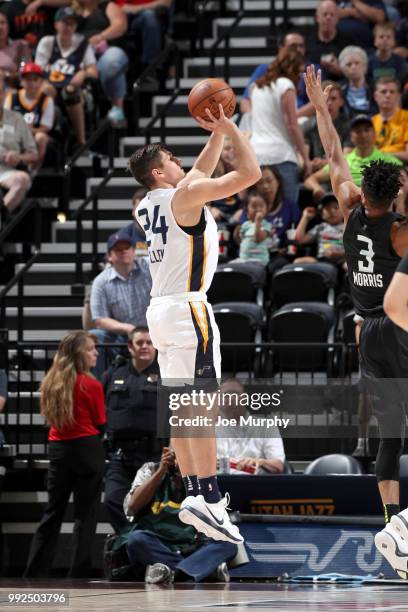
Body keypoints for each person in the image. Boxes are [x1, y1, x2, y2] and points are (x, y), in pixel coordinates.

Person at [129, 104, 261, 544]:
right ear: (159, 173)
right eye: (171, 158)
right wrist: (235, 132)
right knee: (201, 405)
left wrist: (218, 133)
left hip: (160, 312)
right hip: (190, 309)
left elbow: (194, 175)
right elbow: (251, 175)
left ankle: (194, 494)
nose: (179, 162)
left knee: (181, 407)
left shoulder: (146, 204)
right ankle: (210, 495)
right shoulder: (184, 196)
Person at [304, 64, 408, 578]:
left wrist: (322, 109)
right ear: (397, 196)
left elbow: (333, 153)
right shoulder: (400, 233)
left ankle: (392, 524)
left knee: (391, 437)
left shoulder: (347, 205)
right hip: (399, 329)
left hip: (365, 331)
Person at [23, 331, 106, 578]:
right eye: (91, 349)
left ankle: (35, 572)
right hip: (87, 449)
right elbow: (100, 422)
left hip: (58, 450)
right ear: (80, 354)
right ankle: (77, 574)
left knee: (53, 512)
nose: (96, 353)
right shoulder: (91, 384)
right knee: (85, 514)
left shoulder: (50, 382)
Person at [123, 447, 238, 583]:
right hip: (158, 544)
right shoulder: (151, 469)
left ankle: (173, 572)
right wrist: (161, 471)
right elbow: (132, 507)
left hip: (191, 546)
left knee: (228, 542)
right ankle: (201, 570)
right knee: (136, 540)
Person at [102, 326, 161, 533]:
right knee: (112, 500)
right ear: (130, 346)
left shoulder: (167, 374)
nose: (145, 346)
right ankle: (132, 540)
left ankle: (138, 545)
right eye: (140, 343)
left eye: (149, 342)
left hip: (153, 456)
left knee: (152, 507)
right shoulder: (114, 373)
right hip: (122, 456)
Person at [249, 47, 312, 204]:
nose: (299, 77)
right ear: (291, 68)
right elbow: (292, 124)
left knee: (262, 208)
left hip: (257, 155)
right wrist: (305, 158)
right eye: (299, 72)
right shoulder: (286, 85)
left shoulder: (256, 87)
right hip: (281, 154)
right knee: (289, 208)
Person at [89, 226, 152, 378]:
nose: (124, 251)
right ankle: (97, 386)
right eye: (118, 249)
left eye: (127, 247)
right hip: (122, 336)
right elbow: (99, 319)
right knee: (95, 336)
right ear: (109, 256)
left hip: (154, 330)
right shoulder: (101, 281)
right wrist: (127, 328)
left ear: (134, 251)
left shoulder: (149, 268)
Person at [35, 7, 98, 147]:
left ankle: (81, 141)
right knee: (45, 89)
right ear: (56, 24)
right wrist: (45, 83)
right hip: (51, 86)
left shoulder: (82, 44)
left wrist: (82, 73)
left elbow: (94, 72)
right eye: (65, 23)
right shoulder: (47, 42)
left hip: (76, 90)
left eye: (72, 24)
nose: (68, 27)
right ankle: (40, 133)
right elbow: (37, 73)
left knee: (70, 91)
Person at [304, 113, 402, 201]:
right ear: (351, 137)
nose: (363, 135)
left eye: (367, 130)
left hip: (377, 204)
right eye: (358, 131)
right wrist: (317, 188)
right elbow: (310, 180)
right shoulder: (342, 161)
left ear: (374, 134)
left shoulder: (387, 160)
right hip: (347, 207)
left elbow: (403, 180)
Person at [239, 31, 313, 123]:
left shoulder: (312, 69)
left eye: (301, 46)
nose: (297, 49)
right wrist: (258, 119)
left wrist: (290, 117)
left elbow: (317, 103)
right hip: (266, 119)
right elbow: (245, 101)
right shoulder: (264, 70)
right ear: (281, 48)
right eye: (293, 46)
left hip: (297, 118)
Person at [73, 0, 129, 122]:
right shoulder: (72, 10)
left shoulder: (107, 6)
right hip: (80, 55)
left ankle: (117, 108)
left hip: (104, 51)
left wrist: (101, 36)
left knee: (112, 62)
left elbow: (121, 25)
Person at [216, 379, 285, 474]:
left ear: (245, 398)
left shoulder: (267, 427)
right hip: (220, 485)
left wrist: (260, 462)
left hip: (255, 485)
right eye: (225, 395)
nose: (230, 398)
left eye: (234, 393)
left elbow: (278, 466)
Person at [5, 62, 55, 173]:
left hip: (34, 135)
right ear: (22, 81)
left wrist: (28, 130)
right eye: (27, 80)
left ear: (41, 81)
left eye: (35, 79)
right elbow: (5, 121)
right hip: (14, 133)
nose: (31, 83)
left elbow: (46, 127)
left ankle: (33, 171)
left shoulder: (47, 100)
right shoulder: (11, 98)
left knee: (41, 137)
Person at [0, 76, 38, 214]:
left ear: (4, 95)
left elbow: (34, 155)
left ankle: (2, 216)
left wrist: (19, 158)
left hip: (6, 170)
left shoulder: (17, 119)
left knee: (22, 179)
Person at [303, 81, 351, 171]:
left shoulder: (348, 126)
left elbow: (347, 158)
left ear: (341, 102)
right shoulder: (307, 125)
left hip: (338, 171)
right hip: (313, 171)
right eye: (325, 99)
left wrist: (325, 163)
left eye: (333, 99)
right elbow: (303, 158)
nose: (329, 103)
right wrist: (309, 164)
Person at [118, 0, 171, 72]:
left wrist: (140, 8)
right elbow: (120, 7)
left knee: (149, 17)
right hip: (131, 19)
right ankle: (150, 69)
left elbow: (166, 2)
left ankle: (150, 68)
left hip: (157, 16)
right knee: (149, 17)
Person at [307, 0, 354, 81]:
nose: (328, 18)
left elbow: (355, 71)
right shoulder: (308, 41)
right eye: (325, 14)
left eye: (332, 15)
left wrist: (341, 70)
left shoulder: (348, 42)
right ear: (317, 18)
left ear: (337, 18)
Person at [294, 192, 345, 265]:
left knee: (348, 266)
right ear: (321, 214)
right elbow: (299, 239)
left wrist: (340, 253)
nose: (332, 211)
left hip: (342, 260)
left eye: (336, 207)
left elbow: (355, 249)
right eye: (327, 208)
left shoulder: (348, 227)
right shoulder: (320, 227)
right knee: (297, 261)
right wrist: (305, 217)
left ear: (343, 212)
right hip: (322, 260)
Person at [233, 192, 277, 267]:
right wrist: (236, 235)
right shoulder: (245, 225)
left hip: (259, 260)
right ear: (247, 211)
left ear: (266, 209)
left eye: (261, 206)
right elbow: (240, 241)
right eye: (254, 206)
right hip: (244, 258)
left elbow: (259, 238)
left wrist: (258, 222)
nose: (258, 209)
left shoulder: (266, 225)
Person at [372, 76, 408, 163]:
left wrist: (384, 155)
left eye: (392, 92)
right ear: (375, 96)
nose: (388, 95)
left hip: (401, 167)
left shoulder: (406, 117)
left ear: (398, 96)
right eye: (383, 92)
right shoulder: (371, 122)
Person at [338, 45, 377, 117]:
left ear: (365, 66)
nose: (353, 67)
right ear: (342, 69)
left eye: (357, 63)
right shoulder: (338, 90)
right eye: (349, 64)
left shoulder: (376, 88)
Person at [368, 22, 408, 87]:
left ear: (394, 42)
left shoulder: (400, 62)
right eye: (381, 37)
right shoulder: (368, 61)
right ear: (375, 41)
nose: (385, 40)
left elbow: (401, 82)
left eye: (388, 37)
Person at [0, 11, 31, 84]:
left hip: (12, 88)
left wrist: (6, 75)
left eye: (3, 23)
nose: (0, 27)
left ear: (8, 27)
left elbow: (25, 71)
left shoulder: (21, 46)